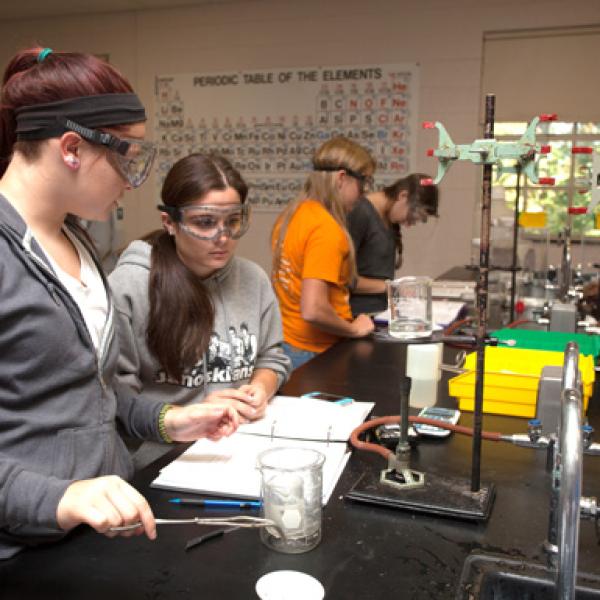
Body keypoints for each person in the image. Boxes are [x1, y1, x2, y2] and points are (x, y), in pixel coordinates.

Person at [0, 47, 238, 559]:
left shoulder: (76, 240)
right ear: (71, 148)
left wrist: (168, 420)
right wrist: (60, 497)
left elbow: (90, 394)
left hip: (105, 529)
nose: (138, 179)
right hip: (23, 552)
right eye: (128, 158)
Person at [109, 153, 291, 468]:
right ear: (170, 222)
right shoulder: (131, 285)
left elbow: (272, 359)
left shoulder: (253, 279)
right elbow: (115, 400)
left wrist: (260, 388)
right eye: (205, 222)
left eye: (233, 221)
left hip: (240, 447)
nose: (223, 236)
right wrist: (193, 410)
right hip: (162, 459)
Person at [271, 136, 376, 370]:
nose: (364, 193)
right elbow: (313, 309)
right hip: (315, 353)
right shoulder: (325, 229)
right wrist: (353, 329)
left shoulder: (291, 216)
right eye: (364, 183)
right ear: (341, 178)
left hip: (287, 343)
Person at [347, 174, 439, 316]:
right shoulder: (361, 212)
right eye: (412, 217)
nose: (408, 225)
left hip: (378, 313)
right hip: (356, 315)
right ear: (403, 196)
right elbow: (344, 279)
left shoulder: (388, 218)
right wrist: (392, 287)